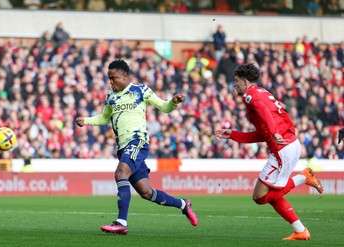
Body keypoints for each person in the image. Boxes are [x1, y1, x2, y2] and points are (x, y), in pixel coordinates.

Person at [76, 59, 197, 235]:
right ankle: (183, 204)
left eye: (114, 78)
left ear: (125, 76)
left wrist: (173, 102)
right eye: (109, 78)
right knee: (146, 192)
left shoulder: (141, 90)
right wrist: (86, 120)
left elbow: (164, 106)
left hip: (137, 141)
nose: (111, 82)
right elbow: (104, 117)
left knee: (120, 174)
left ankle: (121, 222)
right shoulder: (111, 96)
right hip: (123, 147)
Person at [214, 63, 323, 241]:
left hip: (282, 148)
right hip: (290, 144)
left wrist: (274, 132)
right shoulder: (263, 92)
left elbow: (264, 112)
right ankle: (300, 230)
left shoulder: (250, 95)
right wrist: (234, 135)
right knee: (271, 196)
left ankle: (303, 177)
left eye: (236, 81)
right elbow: (262, 133)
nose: (235, 85)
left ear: (245, 81)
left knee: (259, 196)